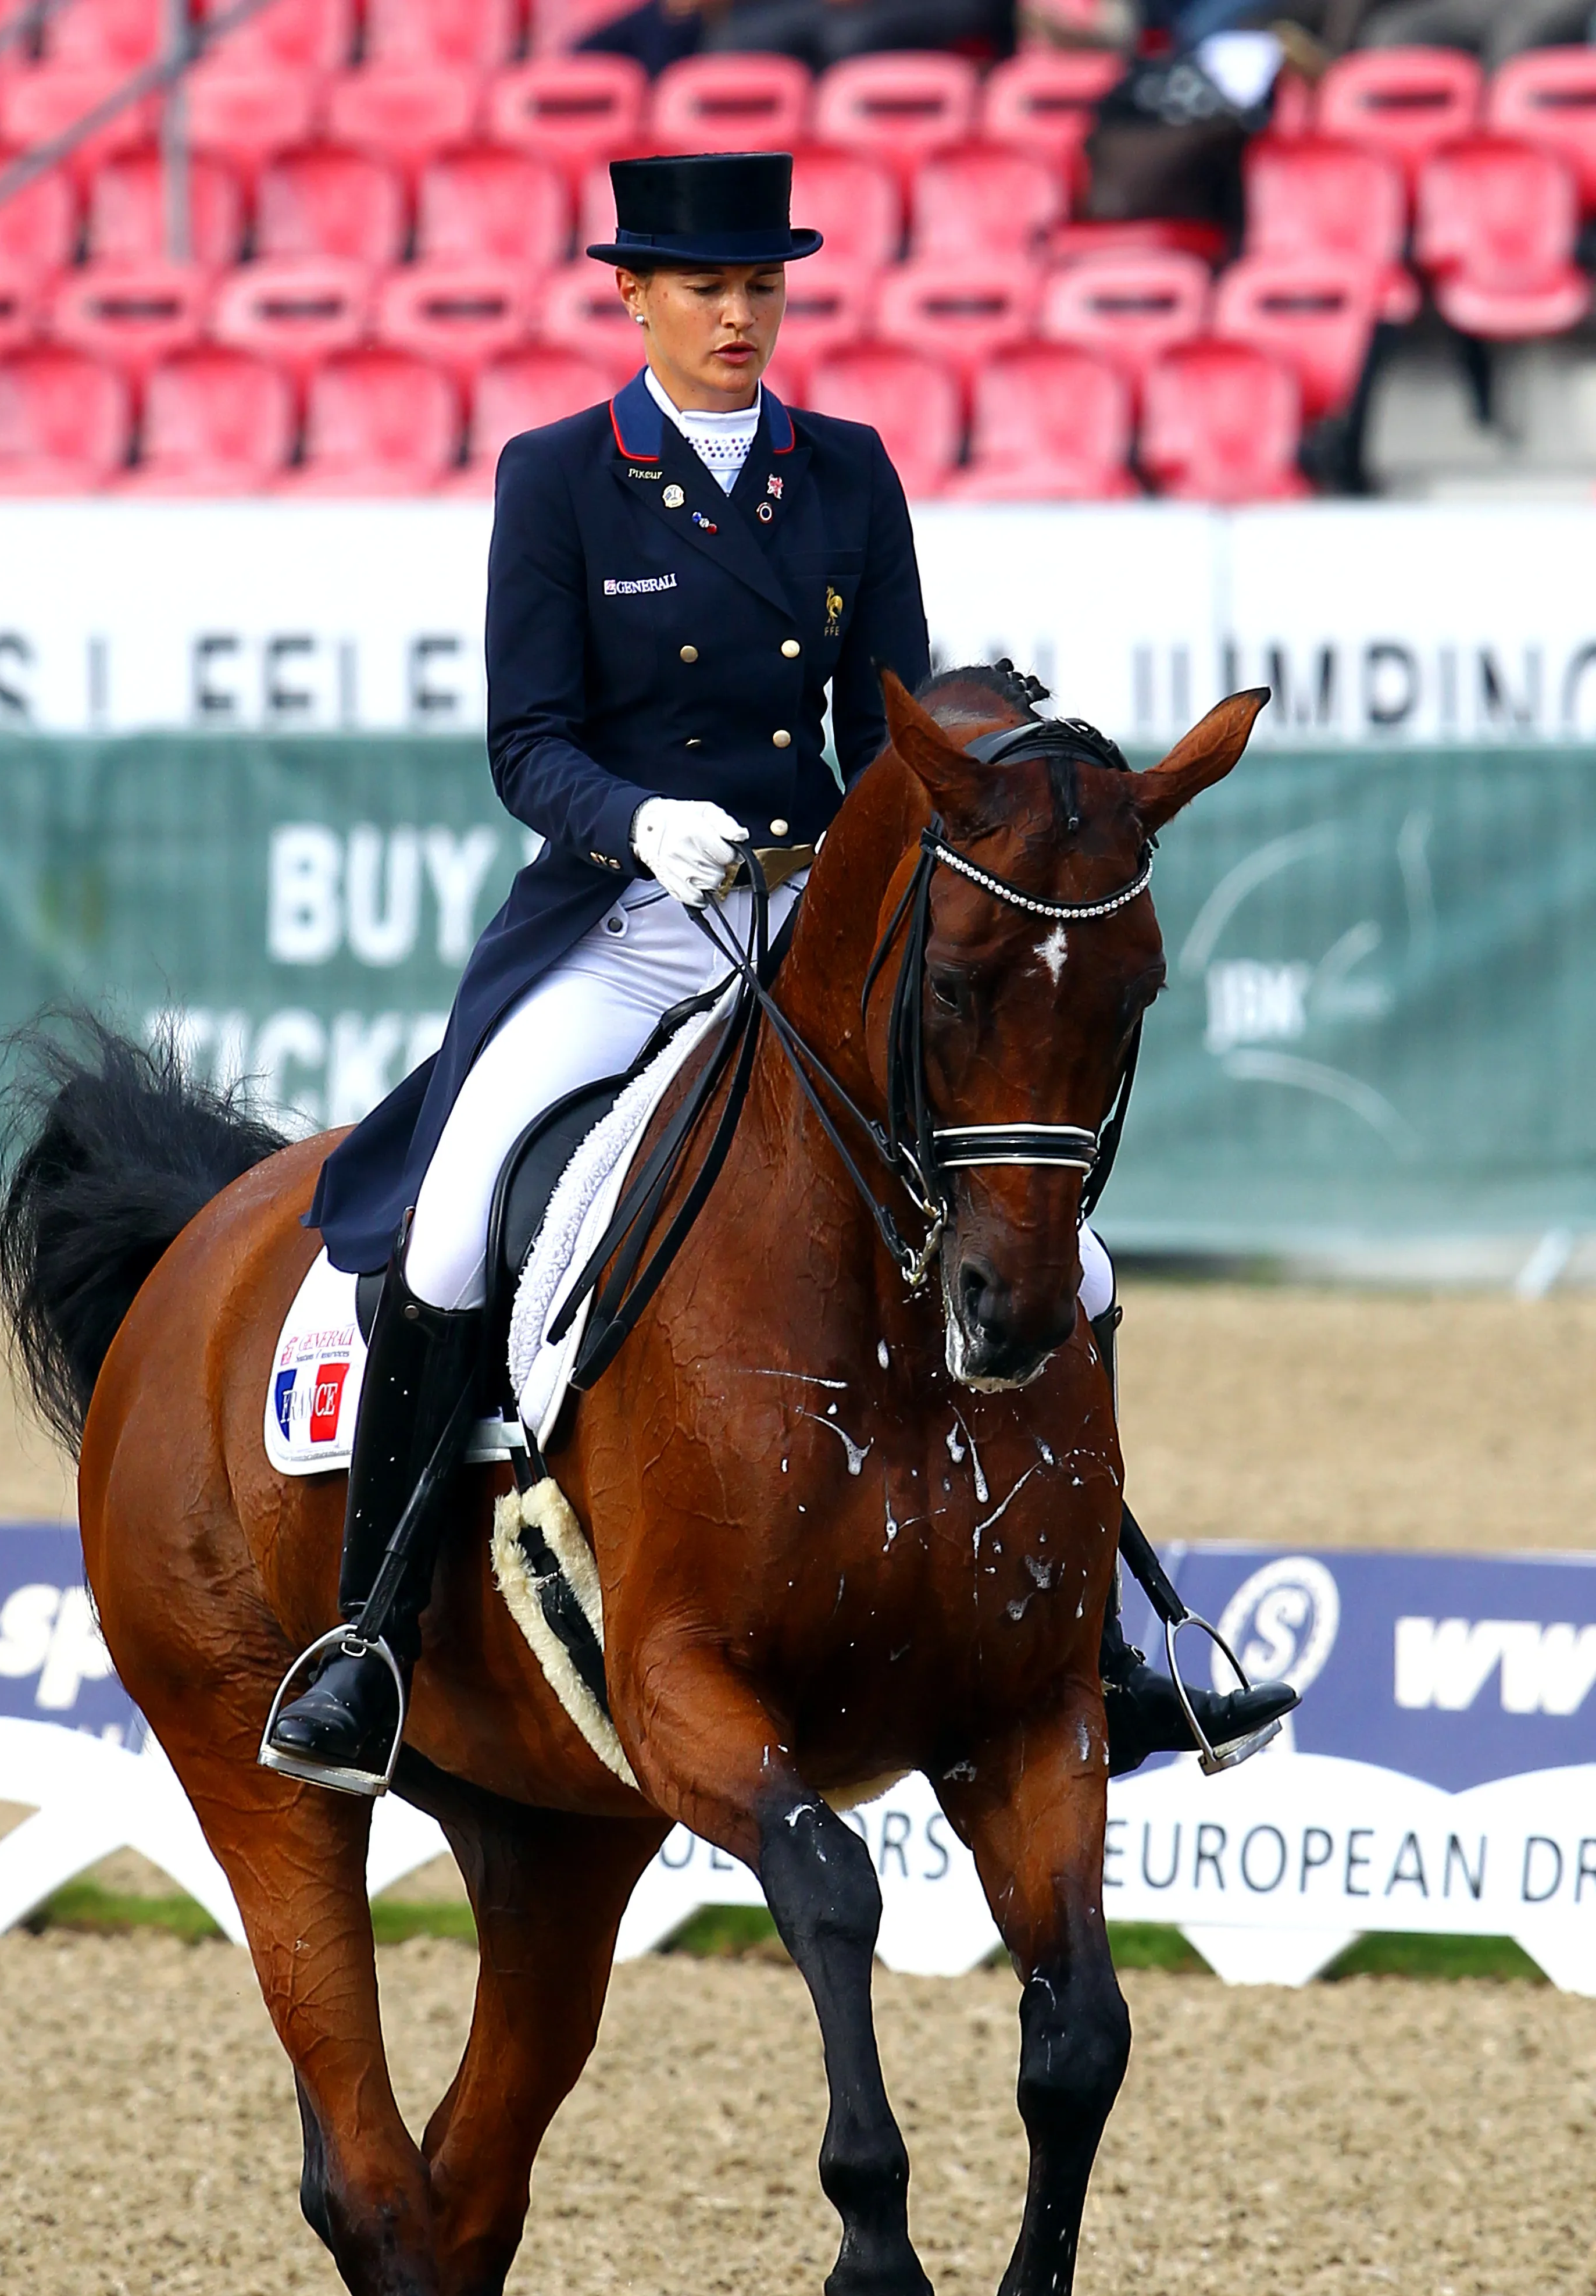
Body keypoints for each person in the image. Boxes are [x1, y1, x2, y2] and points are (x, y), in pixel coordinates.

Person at [267, 149, 1292, 1795]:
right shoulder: (559, 479)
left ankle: (1112, 1635)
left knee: (1070, 1267)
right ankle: (369, 1642)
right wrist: (634, 819)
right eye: (705, 289)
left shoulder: (847, 473)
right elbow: (525, 747)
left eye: (761, 288)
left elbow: (881, 739)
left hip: (808, 923)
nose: (739, 316)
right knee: (455, 1216)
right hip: (619, 923)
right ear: (636, 295)